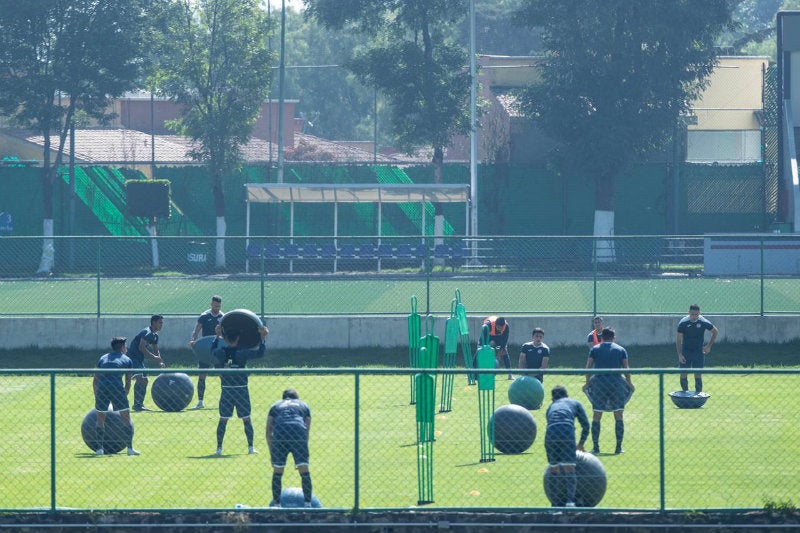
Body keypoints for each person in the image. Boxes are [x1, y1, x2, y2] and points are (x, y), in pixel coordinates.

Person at [211, 323, 268, 456]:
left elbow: (211, 351)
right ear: (238, 338)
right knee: (246, 418)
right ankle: (250, 447)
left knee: (223, 419)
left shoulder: (220, 352)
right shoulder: (243, 353)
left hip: (227, 389)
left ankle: (219, 449)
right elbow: (260, 353)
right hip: (241, 390)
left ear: (225, 338)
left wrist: (217, 335)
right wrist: (263, 337)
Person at [583, 327, 634, 455]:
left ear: (601, 338)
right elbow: (626, 369)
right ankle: (618, 447)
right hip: (616, 384)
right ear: (614, 338)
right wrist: (629, 383)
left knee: (597, 415)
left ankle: (596, 447)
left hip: (599, 384)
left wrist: (587, 382)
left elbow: (588, 367)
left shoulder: (595, 349)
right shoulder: (621, 349)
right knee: (618, 415)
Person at [92, 337, 140, 456]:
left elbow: (95, 380)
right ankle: (129, 449)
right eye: (126, 346)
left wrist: (97, 395)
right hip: (117, 389)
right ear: (123, 347)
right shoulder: (127, 359)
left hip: (102, 388)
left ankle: (99, 449)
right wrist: (124, 395)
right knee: (126, 418)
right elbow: (128, 381)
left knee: (100, 419)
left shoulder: (102, 358)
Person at [266, 388, 313, 508]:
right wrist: (301, 453)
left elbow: (268, 429)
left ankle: (276, 504)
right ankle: (307, 504)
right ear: (296, 397)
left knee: (278, 470)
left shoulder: (275, 406)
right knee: (304, 470)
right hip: (298, 433)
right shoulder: (303, 405)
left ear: (284, 398)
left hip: (280, 434)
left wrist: (272, 453)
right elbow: (306, 428)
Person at [544, 385, 590, 507]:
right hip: (567, 431)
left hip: (551, 433)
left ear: (552, 398)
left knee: (554, 468)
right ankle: (570, 501)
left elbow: (550, 422)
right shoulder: (575, 403)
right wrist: (581, 443)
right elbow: (586, 425)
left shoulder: (551, 407)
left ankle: (554, 504)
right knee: (570, 468)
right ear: (567, 395)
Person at [188, 295, 224, 409]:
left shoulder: (223, 317)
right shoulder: (204, 316)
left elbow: (226, 333)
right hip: (205, 349)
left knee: (222, 375)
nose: (216, 307)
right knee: (202, 375)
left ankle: (225, 400)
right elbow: (196, 330)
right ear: (211, 304)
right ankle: (200, 402)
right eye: (215, 305)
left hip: (218, 349)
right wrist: (193, 341)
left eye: (218, 306)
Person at [676, 304, 719, 393]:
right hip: (686, 351)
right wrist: (680, 355)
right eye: (692, 314)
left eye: (696, 315)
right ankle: (685, 395)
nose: (694, 317)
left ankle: (698, 397)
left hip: (698, 352)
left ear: (699, 313)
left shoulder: (703, 321)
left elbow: (715, 331)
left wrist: (708, 346)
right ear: (688, 312)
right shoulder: (683, 323)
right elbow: (678, 340)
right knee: (683, 374)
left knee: (698, 375)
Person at [128, 314, 165, 412]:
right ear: (153, 323)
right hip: (132, 358)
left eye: (162, 323)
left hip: (139, 360)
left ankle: (139, 404)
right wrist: (154, 357)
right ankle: (137, 405)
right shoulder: (147, 332)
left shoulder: (155, 336)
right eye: (160, 323)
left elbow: (156, 350)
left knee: (144, 380)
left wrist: (160, 361)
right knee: (141, 379)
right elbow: (141, 347)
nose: (162, 325)